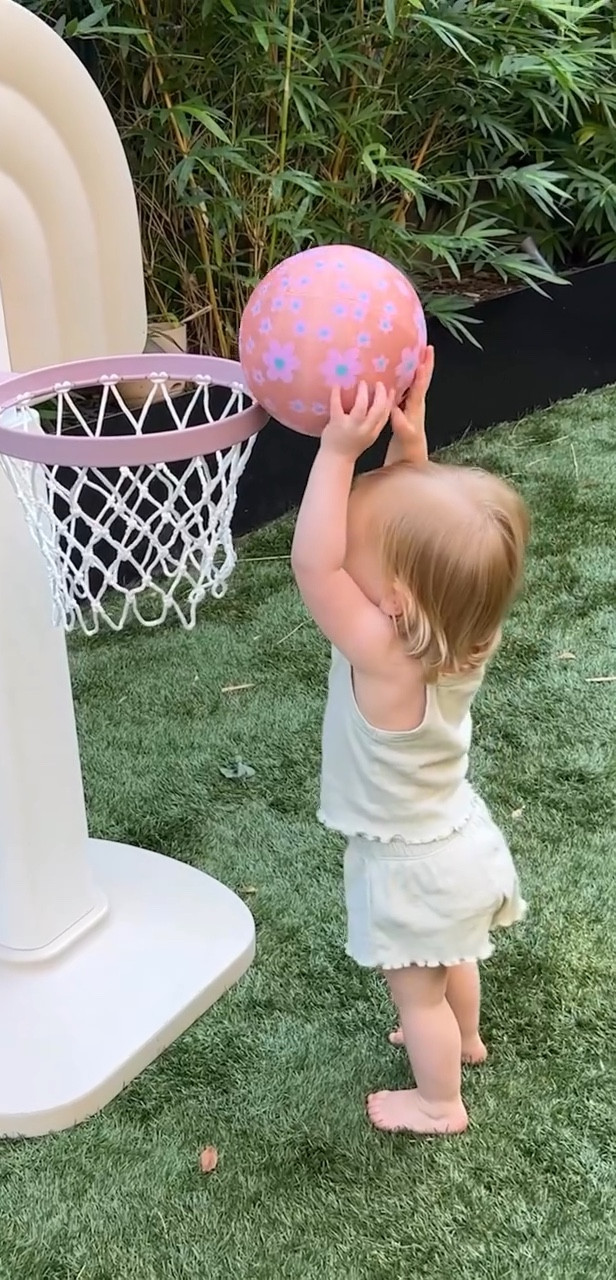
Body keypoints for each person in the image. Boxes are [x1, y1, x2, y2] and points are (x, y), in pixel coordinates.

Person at [291, 348, 529, 1135]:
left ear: (392, 599)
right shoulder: (464, 637)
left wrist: (336, 454)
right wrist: (409, 445)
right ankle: (468, 1040)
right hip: (458, 840)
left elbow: (314, 567)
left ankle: (438, 1101)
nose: (345, 535)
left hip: (412, 865)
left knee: (414, 988)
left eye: (358, 535)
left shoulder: (384, 658)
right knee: (454, 954)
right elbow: (416, 535)